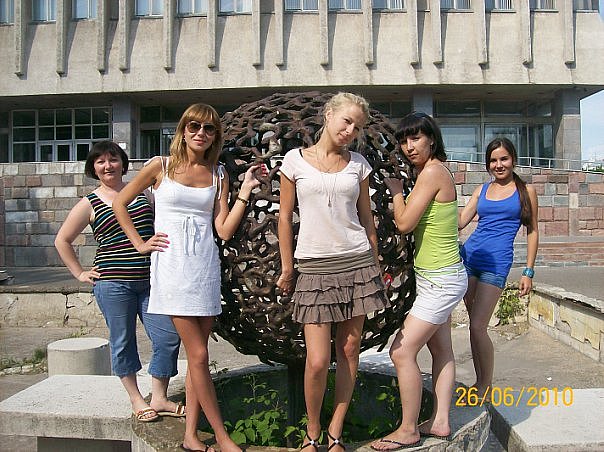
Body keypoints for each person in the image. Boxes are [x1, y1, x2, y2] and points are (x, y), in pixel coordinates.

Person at [113, 103, 266, 452]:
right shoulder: (160, 166)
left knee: (200, 358)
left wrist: (245, 190)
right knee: (198, 356)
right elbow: (120, 202)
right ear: (183, 130)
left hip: (204, 269)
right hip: (172, 269)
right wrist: (140, 243)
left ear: (215, 136)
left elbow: (223, 230)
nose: (201, 133)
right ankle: (222, 437)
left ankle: (191, 436)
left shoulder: (218, 174)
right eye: (194, 126)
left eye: (209, 128)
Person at [276, 92, 390, 451]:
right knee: (317, 360)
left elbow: (367, 219)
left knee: (350, 349)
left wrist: (375, 265)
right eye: (347, 121)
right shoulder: (294, 160)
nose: (350, 130)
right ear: (328, 115)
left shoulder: (359, 164)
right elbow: (284, 218)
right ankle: (312, 431)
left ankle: (335, 431)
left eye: (357, 127)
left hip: (357, 263)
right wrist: (287, 268)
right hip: (313, 267)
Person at [54, 141, 183, 423]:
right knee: (123, 342)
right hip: (113, 284)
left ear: (123, 163)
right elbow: (62, 240)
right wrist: (79, 273)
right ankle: (136, 399)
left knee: (168, 336)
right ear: (93, 168)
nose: (107, 166)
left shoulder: (143, 193)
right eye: (100, 161)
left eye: (113, 159)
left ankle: (159, 396)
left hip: (151, 281)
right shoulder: (90, 203)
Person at [371, 112, 467, 450]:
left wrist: (397, 192)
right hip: (438, 276)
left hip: (441, 280)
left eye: (416, 138)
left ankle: (408, 429)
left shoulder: (432, 173)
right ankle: (440, 421)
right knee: (441, 349)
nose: (408, 146)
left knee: (401, 351)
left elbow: (404, 224)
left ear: (432, 139)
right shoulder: (434, 171)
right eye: (403, 140)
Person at [458, 137, 539, 399]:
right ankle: (479, 382)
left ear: (513, 159)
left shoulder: (526, 191)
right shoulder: (482, 190)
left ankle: (486, 385)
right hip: (469, 258)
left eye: (504, 159)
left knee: (478, 326)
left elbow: (532, 231)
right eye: (493, 160)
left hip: (497, 263)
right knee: (473, 327)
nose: (499, 164)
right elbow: (460, 222)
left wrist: (528, 271)